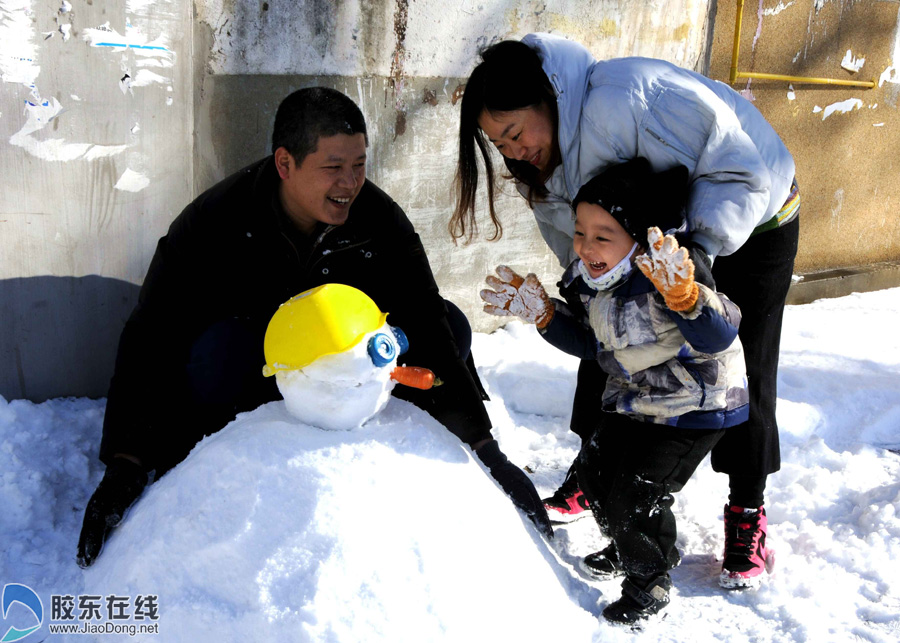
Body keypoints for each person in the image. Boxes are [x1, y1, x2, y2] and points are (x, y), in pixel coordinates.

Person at [76, 87, 552, 569]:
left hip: (348, 380)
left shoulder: (379, 221)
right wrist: (128, 462)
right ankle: (235, 457)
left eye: (360, 164)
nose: (350, 183)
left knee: (450, 322)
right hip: (252, 384)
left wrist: (485, 448)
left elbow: (426, 319)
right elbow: (152, 334)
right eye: (333, 167)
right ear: (285, 164)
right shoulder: (215, 223)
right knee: (215, 352)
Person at [454, 33, 799, 587]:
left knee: (740, 365)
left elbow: (742, 170)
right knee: (610, 334)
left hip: (751, 219)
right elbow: (570, 242)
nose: (512, 151)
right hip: (652, 243)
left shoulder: (629, 98)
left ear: (549, 97)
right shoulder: (544, 161)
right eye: (499, 144)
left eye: (515, 133)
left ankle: (747, 512)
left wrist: (684, 272)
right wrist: (575, 297)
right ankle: (597, 473)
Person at [480, 159, 750, 624]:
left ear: (639, 240)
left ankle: (650, 583)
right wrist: (546, 315)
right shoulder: (592, 282)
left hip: (694, 405)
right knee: (595, 472)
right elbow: (590, 340)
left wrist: (687, 300)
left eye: (602, 236)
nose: (585, 247)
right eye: (580, 232)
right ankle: (629, 546)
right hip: (636, 396)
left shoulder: (674, 276)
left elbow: (719, 336)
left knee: (636, 492)